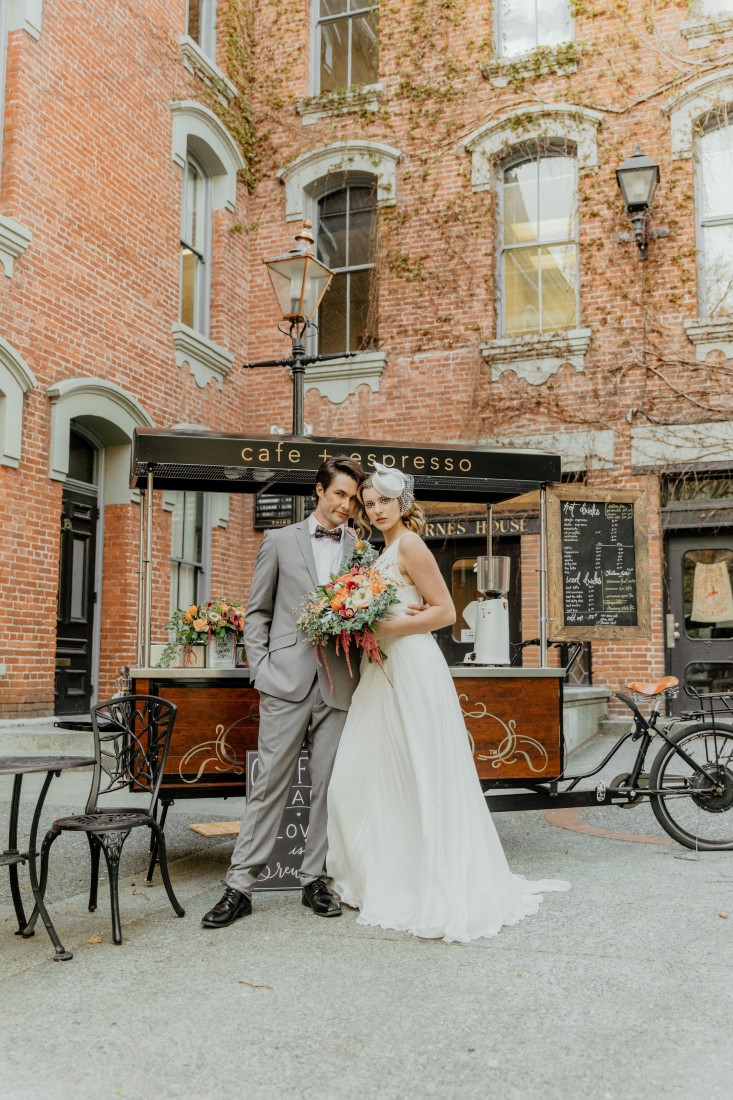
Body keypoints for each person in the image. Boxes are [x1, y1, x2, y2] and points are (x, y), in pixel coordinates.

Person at [326, 463, 570, 943]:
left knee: (417, 769)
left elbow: (445, 612)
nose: (375, 510)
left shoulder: (410, 545)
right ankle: (383, 874)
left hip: (412, 666)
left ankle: (421, 879)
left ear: (403, 503)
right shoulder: (381, 550)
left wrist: (382, 627)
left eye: (383, 502)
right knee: (360, 776)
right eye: (369, 503)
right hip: (383, 671)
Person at [202, 454, 365, 928]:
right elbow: (256, 613)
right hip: (285, 681)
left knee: (327, 788)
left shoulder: (360, 548)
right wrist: (262, 670)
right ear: (319, 490)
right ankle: (239, 886)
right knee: (269, 784)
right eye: (339, 494)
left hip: (338, 684)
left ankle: (313, 879)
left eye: (353, 499)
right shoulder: (277, 540)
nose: (346, 506)